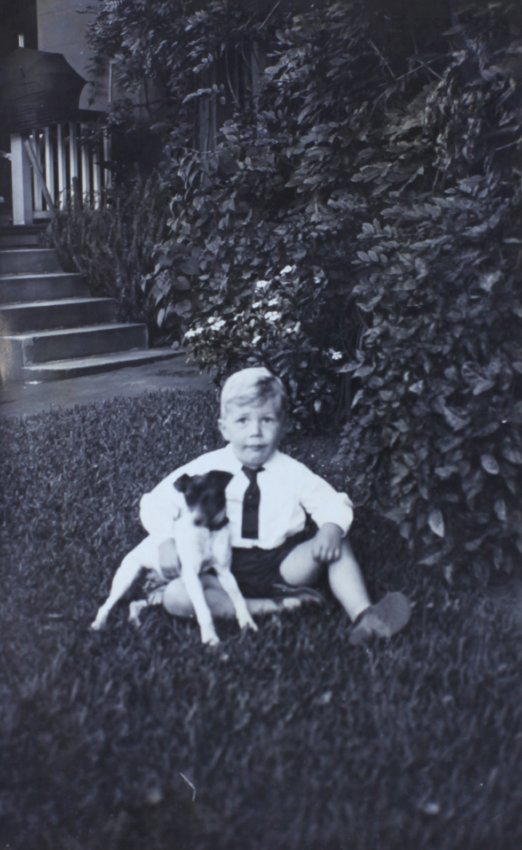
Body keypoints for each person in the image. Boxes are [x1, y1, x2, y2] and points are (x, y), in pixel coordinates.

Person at [139, 367, 410, 644]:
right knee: (176, 597)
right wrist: (166, 540)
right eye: (242, 421)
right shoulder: (206, 469)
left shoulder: (293, 472)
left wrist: (330, 527)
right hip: (218, 564)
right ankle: (275, 607)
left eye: (266, 420)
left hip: (281, 563)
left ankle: (363, 614)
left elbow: (331, 502)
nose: (255, 432)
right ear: (224, 428)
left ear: (283, 426)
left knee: (337, 541)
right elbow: (155, 503)